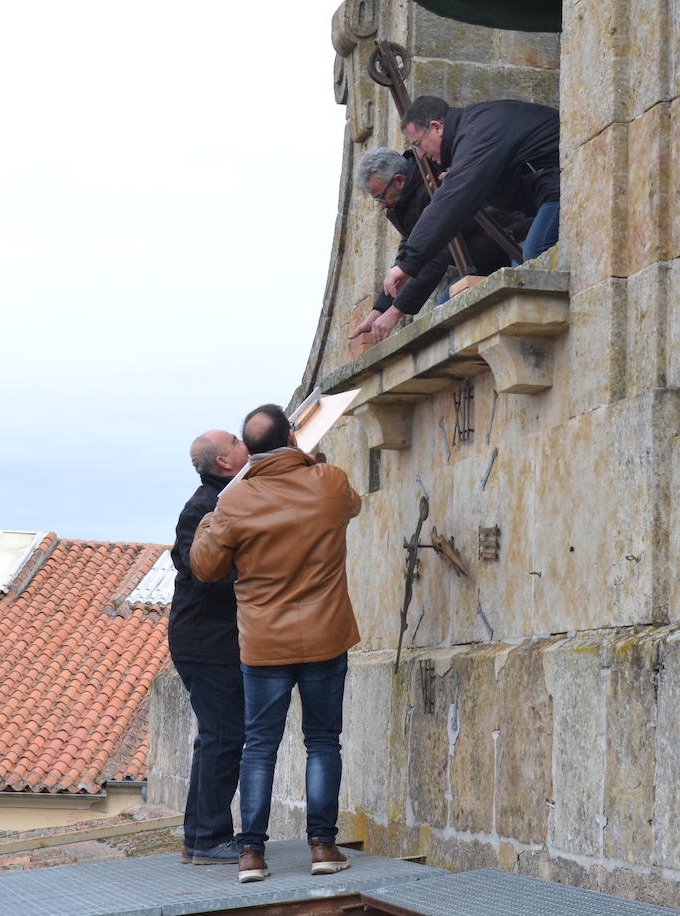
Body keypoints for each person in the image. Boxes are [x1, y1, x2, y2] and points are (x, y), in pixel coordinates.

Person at [190, 404, 362, 884]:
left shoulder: (236, 500)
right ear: (292, 436)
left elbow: (205, 568)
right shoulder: (327, 481)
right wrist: (310, 461)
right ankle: (324, 846)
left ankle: (251, 855)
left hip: (264, 642)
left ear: (251, 449)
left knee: (260, 747)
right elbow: (353, 504)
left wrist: (214, 520)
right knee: (324, 742)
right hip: (327, 634)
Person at [384, 95, 560, 301]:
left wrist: (407, 264)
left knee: (535, 257)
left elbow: (451, 201)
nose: (420, 154)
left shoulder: (476, 132)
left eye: (419, 144)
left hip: (562, 186)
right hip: (546, 194)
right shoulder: (470, 135)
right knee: (449, 298)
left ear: (436, 127)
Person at [169, 429, 249, 865]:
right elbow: (205, 574)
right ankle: (207, 838)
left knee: (220, 737)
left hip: (216, 643)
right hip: (206, 643)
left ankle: (201, 836)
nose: (244, 445)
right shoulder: (203, 507)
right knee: (223, 737)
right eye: (236, 442)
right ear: (223, 461)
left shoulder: (230, 498)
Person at [350, 146, 526, 343]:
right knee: (445, 314)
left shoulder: (430, 186)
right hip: (487, 259)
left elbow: (435, 255)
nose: (381, 205)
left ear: (399, 180)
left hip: (515, 245)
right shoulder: (406, 201)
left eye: (380, 197)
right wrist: (378, 310)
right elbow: (409, 252)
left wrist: (395, 312)